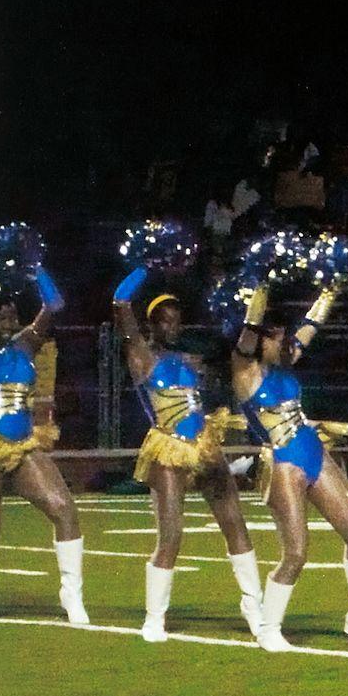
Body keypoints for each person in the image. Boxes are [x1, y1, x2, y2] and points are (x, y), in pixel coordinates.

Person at [228, 243, 348, 652]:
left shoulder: (283, 359)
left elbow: (312, 323)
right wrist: (261, 281)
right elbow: (250, 327)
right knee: (296, 552)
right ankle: (270, 628)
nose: (287, 342)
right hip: (282, 461)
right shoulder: (245, 369)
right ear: (261, 340)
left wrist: (332, 286)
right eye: (277, 337)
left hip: (312, 450)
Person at [115, 238, 261, 640]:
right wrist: (149, 264)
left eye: (177, 319)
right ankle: (154, 617)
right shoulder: (141, 355)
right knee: (172, 533)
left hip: (204, 442)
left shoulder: (188, 359)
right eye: (164, 319)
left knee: (234, 522)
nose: (173, 325)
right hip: (167, 446)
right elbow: (120, 304)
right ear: (150, 324)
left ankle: (254, 607)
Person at [0, 242, 88, 625]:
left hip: (20, 443)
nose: (9, 322)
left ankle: (72, 595)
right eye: (1, 317)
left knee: (64, 508)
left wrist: (34, 268)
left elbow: (55, 305)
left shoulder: (24, 346)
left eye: (12, 316)